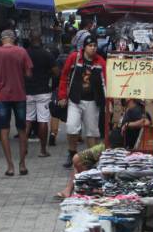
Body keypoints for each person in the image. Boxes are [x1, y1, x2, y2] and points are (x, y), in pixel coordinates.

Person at [0, 30, 33, 177]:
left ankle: (10, 166)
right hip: (19, 94)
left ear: (2, 40)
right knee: (22, 130)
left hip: (3, 96)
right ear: (14, 39)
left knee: (4, 130)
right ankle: (22, 164)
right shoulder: (22, 52)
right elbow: (29, 73)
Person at [59, 36, 107, 167]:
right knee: (71, 127)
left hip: (92, 101)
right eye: (90, 45)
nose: (93, 48)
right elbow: (64, 76)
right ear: (84, 47)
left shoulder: (100, 62)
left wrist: (109, 101)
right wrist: (62, 95)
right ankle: (72, 152)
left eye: (95, 46)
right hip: (75, 100)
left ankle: (92, 158)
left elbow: (106, 82)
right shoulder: (74, 58)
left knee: (92, 132)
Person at [55, 130, 128, 199]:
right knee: (79, 161)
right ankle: (84, 187)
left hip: (114, 177)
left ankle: (73, 189)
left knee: (78, 161)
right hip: (106, 174)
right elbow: (77, 158)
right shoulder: (105, 148)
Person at [25, 34, 55, 158]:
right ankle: (43, 150)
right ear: (41, 41)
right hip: (43, 91)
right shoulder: (46, 54)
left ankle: (23, 148)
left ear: (30, 41)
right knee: (43, 120)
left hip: (28, 91)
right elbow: (56, 71)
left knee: (28, 120)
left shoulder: (25, 53)